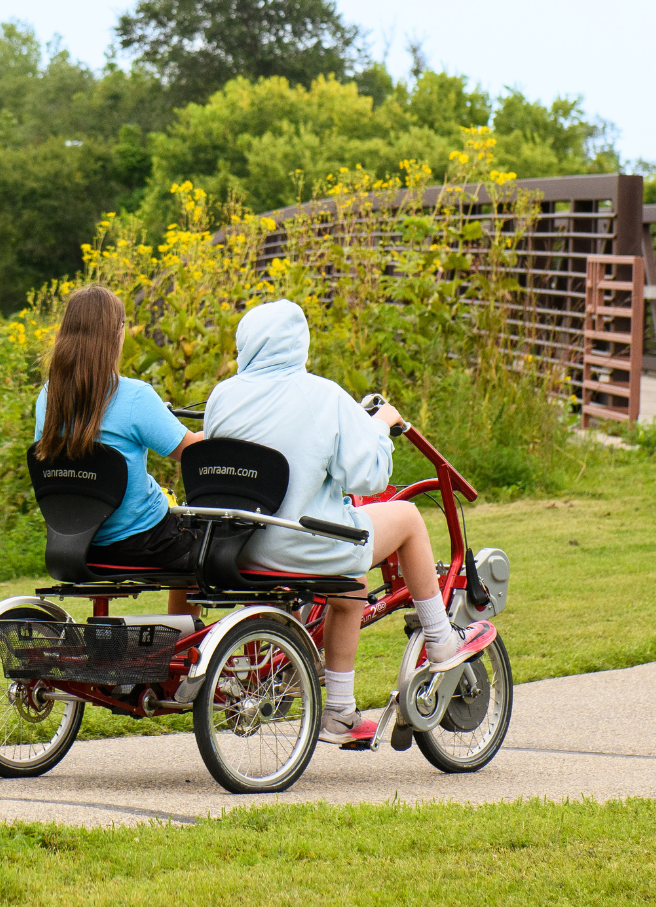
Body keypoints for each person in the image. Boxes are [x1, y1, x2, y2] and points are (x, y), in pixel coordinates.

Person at [202, 298, 495, 744]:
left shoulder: (223, 395)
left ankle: (340, 711)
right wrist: (379, 427)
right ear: (299, 344)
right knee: (409, 517)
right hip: (299, 542)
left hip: (238, 543)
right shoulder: (321, 395)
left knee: (350, 587)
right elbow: (368, 475)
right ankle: (441, 637)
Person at [34, 284, 201, 614]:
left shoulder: (48, 395)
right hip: (141, 542)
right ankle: (183, 641)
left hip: (75, 541)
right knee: (208, 542)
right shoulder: (134, 396)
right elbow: (192, 452)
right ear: (117, 333)